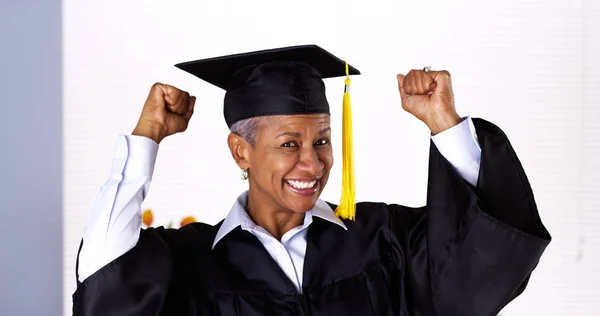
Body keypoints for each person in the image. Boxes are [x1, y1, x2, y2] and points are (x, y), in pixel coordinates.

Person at [72, 45, 551, 316]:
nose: (313, 163)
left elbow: (482, 265)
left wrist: (446, 126)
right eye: (288, 144)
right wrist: (147, 137)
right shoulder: (193, 262)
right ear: (241, 150)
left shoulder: (384, 240)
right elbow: (105, 276)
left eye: (322, 140)